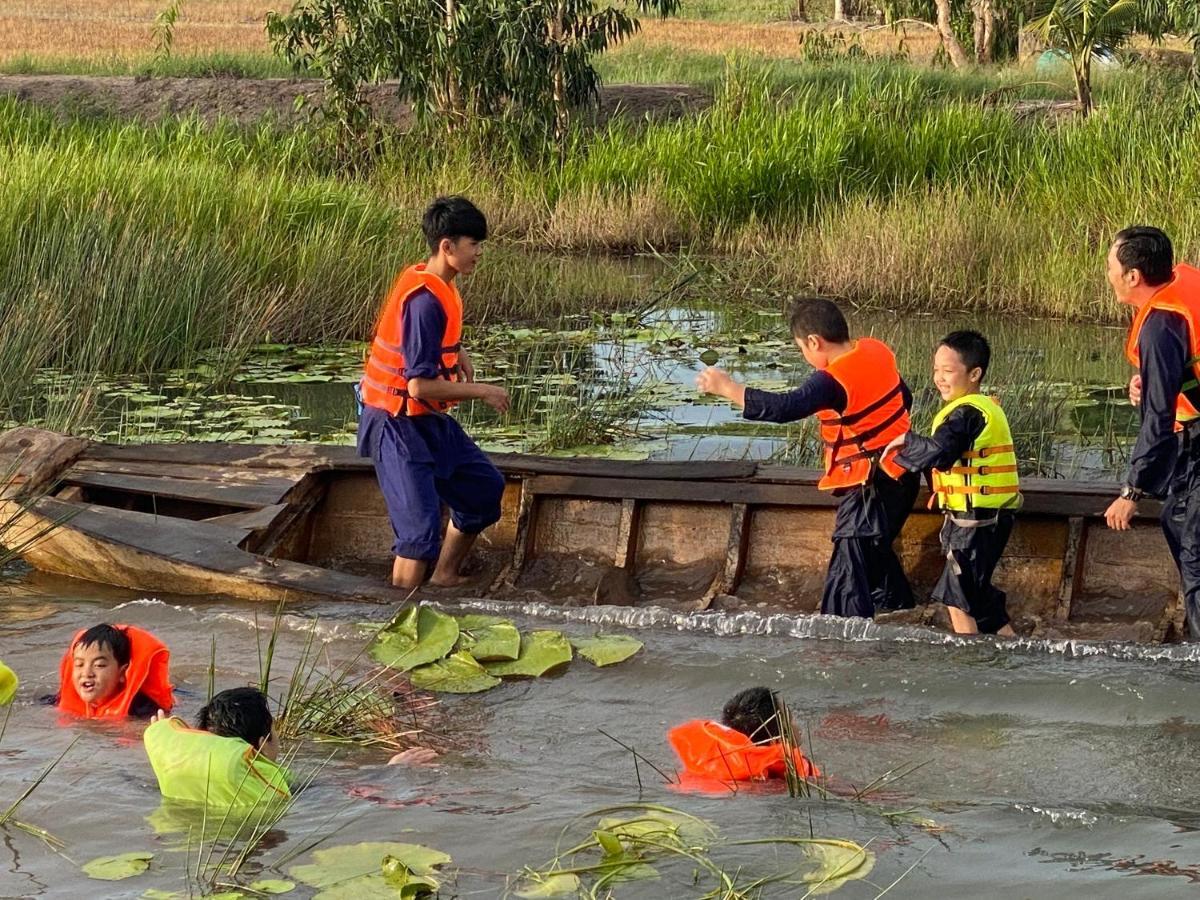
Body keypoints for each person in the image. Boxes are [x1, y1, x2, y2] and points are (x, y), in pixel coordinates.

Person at [697, 297, 919, 617]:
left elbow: (787, 407)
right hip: (904, 474)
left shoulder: (831, 380)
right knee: (874, 553)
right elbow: (904, 398)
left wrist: (728, 388)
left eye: (802, 347)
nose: (805, 354)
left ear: (814, 341)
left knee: (848, 573)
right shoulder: (876, 350)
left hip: (870, 486)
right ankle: (901, 613)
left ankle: (840, 647)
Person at [357, 196, 511, 589]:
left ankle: (444, 575)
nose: (478, 253)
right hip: (395, 424)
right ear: (448, 246)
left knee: (484, 489)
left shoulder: (439, 283)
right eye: (473, 245)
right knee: (419, 535)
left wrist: (458, 351)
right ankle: (400, 622)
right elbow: (418, 385)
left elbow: (424, 345)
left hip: (424, 420)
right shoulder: (426, 300)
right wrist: (484, 391)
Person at [888, 331, 1021, 636]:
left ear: (975, 374)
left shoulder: (968, 412)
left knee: (957, 598)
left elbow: (941, 452)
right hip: (980, 519)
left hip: (976, 521)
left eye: (948, 371)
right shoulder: (981, 407)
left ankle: (968, 667)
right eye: (936, 370)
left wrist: (906, 443)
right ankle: (1009, 653)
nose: (939, 378)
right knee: (976, 597)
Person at [1103, 226, 1200, 639]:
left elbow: (1158, 420)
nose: (1107, 273)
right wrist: (1151, 377)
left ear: (1133, 277)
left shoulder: (1161, 325)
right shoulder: (1181, 279)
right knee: (1175, 523)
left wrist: (1132, 492)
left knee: (1195, 557)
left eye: (1111, 266)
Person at [143, 687, 290, 807]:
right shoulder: (271, 790)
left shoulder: (175, 764)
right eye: (274, 728)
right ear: (262, 744)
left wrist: (166, 742)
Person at [668, 687, 819, 788]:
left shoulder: (713, 761)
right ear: (777, 738)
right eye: (790, 719)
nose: (796, 726)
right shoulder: (777, 778)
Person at [56, 623, 174, 719]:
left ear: (122, 673)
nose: (86, 673)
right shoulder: (60, 699)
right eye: (79, 664)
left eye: (99, 665)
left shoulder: (142, 710)